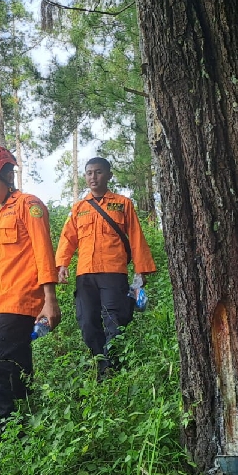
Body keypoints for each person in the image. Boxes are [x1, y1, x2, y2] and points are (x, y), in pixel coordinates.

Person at [0, 145, 60, 437]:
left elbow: (44, 254)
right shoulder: (0, 216)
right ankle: (31, 434)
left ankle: (8, 440)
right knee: (14, 373)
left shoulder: (28, 206)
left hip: (21, 303)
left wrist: (49, 301)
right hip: (0, 304)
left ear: (9, 175)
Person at [55, 157, 157, 380]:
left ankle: (114, 368)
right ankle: (102, 365)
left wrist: (141, 270)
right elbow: (68, 238)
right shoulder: (79, 208)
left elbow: (136, 238)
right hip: (85, 274)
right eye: (89, 173)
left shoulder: (123, 204)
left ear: (109, 175)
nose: (93, 177)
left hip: (113, 271)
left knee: (114, 319)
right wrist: (62, 264)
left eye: (98, 172)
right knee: (86, 321)